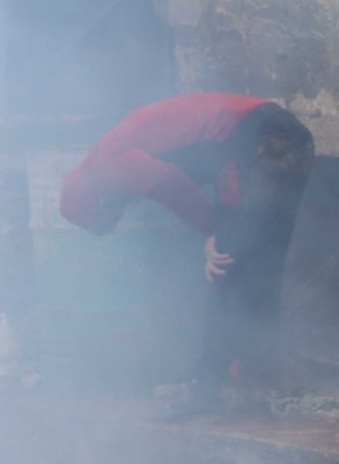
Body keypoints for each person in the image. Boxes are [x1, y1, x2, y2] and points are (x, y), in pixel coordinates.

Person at [58, 93, 313, 411]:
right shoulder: (116, 146)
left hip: (256, 141)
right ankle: (255, 379)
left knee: (225, 262)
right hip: (290, 137)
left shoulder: (111, 158)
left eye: (109, 217)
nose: (120, 214)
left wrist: (209, 231)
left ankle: (209, 387)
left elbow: (169, 181)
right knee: (265, 263)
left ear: (97, 200)